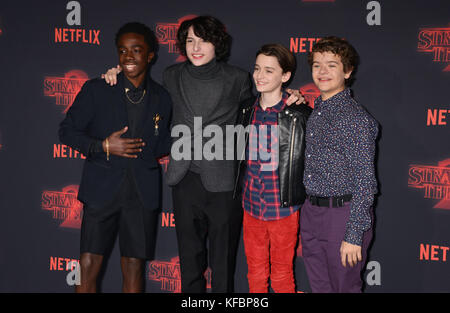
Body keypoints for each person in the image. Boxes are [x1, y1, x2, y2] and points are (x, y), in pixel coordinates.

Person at [103, 15, 304, 293]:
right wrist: (116, 73)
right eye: (190, 40)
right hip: (184, 178)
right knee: (189, 260)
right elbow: (141, 90)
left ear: (217, 44)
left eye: (204, 40)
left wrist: (294, 96)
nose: (196, 47)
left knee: (223, 262)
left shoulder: (237, 78)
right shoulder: (170, 76)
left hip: (224, 183)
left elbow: (263, 103)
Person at [59, 22, 172, 293]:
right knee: (88, 263)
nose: (129, 57)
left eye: (136, 50)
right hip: (101, 189)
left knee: (134, 266)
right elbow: (66, 132)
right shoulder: (98, 88)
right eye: (123, 51)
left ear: (150, 55)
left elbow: (161, 143)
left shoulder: (162, 97)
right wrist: (104, 146)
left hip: (141, 193)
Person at [300, 36, 378, 293]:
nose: (322, 72)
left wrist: (354, 235)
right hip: (312, 211)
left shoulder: (353, 118)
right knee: (320, 288)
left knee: (344, 289)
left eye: (331, 65)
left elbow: (365, 182)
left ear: (347, 71)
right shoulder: (318, 111)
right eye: (317, 65)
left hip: (342, 216)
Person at [234, 44, 311, 293]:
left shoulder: (299, 114)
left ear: (285, 76)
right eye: (257, 69)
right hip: (251, 205)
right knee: (254, 272)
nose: (260, 76)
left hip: (283, 208)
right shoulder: (246, 109)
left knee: (282, 273)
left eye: (269, 70)